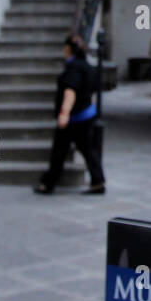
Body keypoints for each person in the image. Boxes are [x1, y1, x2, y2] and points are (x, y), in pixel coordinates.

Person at [34, 34, 106, 195]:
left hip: (75, 118)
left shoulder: (73, 68)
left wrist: (64, 114)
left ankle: (48, 183)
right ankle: (97, 181)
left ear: (68, 49)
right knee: (88, 149)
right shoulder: (86, 65)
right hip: (86, 114)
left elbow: (70, 92)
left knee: (59, 151)